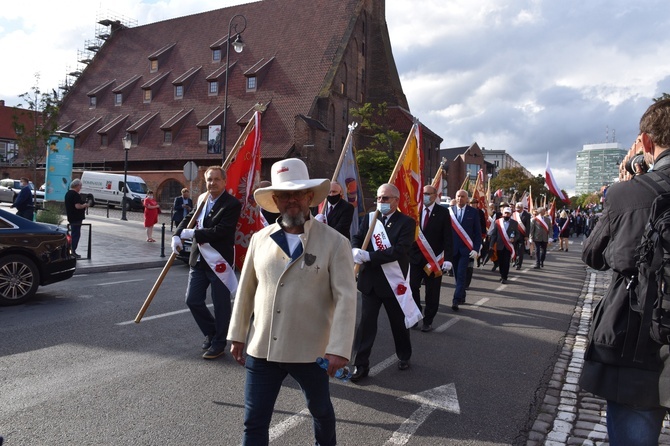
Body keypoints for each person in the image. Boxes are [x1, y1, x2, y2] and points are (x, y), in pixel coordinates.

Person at [227, 158, 357, 446]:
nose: (292, 200)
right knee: (254, 420)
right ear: (275, 200)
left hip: (312, 351)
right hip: (264, 349)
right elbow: (246, 289)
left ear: (310, 196)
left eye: (298, 193)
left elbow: (347, 298)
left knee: (321, 411)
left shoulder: (334, 242)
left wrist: (339, 349)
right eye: (285, 195)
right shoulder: (260, 239)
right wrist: (237, 335)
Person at [581, 98, 670, 445]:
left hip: (639, 341)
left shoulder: (627, 193)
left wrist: (627, 188)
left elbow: (594, 255)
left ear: (646, 143)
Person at [350, 183, 419, 381]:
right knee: (366, 326)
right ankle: (360, 365)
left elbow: (399, 250)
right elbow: (357, 237)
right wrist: (356, 250)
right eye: (379, 198)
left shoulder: (406, 223)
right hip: (370, 282)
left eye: (386, 198)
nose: (381, 202)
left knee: (398, 324)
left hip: (392, 282)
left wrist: (369, 256)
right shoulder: (371, 219)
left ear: (396, 200)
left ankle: (404, 355)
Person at [171, 166, 242, 360]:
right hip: (199, 259)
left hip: (218, 261)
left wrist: (193, 233)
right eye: (209, 180)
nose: (212, 183)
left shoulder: (232, 204)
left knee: (221, 305)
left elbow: (222, 231)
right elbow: (188, 218)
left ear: (224, 182)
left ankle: (219, 343)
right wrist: (177, 234)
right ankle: (212, 333)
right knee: (192, 300)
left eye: (216, 179)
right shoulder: (202, 199)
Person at [409, 185, 453, 332]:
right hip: (415, 258)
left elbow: (448, 237)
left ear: (435, 195)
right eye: (423, 193)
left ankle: (428, 320)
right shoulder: (415, 210)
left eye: (428, 194)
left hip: (434, 259)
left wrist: (448, 258)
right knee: (412, 286)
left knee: (432, 292)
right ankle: (416, 314)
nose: (425, 196)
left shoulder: (443, 212)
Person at [449, 189, 482, 311]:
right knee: (457, 276)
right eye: (458, 196)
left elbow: (477, 233)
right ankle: (462, 295)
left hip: (466, 250)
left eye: (463, 196)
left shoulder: (473, 212)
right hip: (453, 249)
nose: (460, 198)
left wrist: (476, 249)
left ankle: (456, 300)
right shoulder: (449, 211)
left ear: (467, 199)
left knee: (461, 274)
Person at [487, 207, 518, 284]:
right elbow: (494, 234)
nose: (506, 214)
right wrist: (491, 245)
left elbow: (517, 234)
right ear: (503, 214)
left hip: (508, 246)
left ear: (510, 214)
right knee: (500, 261)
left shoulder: (514, 223)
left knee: (506, 261)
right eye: (505, 213)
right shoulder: (497, 222)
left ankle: (504, 276)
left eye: (508, 213)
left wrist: (514, 239)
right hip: (499, 245)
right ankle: (501, 274)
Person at [64, 178, 90, 258]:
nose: (81, 187)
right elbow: (77, 206)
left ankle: (69, 250)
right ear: (77, 186)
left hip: (71, 216)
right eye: (80, 186)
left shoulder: (68, 193)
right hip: (76, 217)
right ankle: (72, 251)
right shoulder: (75, 195)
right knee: (76, 235)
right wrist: (85, 205)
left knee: (73, 234)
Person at [512, 202, 531, 270]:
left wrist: (526, 235)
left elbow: (528, 226)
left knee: (520, 251)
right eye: (516, 208)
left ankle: (519, 264)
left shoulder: (527, 215)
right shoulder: (514, 214)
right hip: (513, 236)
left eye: (519, 208)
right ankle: (514, 261)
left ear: (522, 208)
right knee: (514, 249)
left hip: (522, 236)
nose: (517, 210)